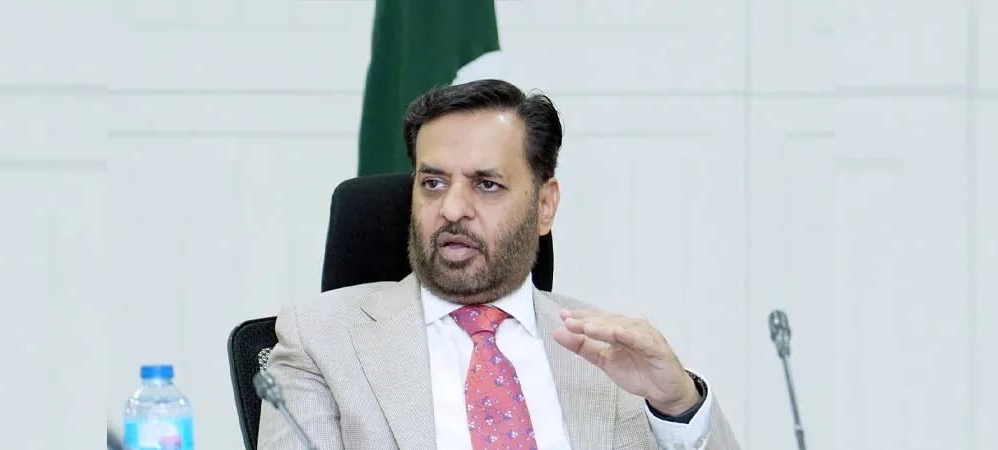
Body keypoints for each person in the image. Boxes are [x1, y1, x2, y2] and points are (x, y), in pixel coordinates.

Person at [258, 79, 741, 450]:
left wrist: (678, 406)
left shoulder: (607, 356)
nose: (451, 209)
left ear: (545, 206)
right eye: (433, 184)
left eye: (486, 184)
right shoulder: (320, 340)